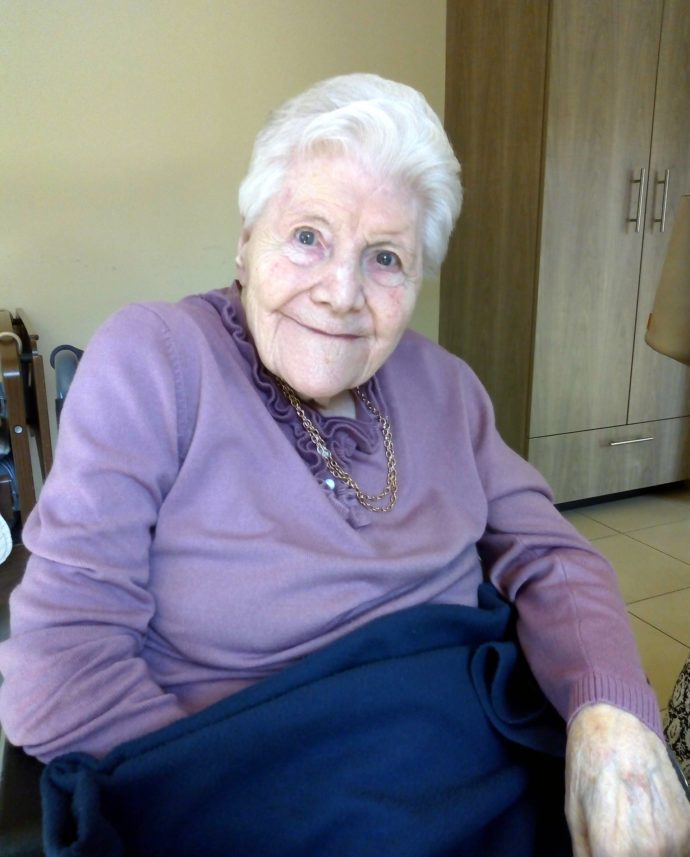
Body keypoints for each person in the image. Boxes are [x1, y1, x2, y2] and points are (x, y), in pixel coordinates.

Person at [0, 74, 688, 856]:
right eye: (308, 237)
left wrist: (611, 717)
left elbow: (553, 556)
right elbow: (61, 671)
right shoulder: (156, 360)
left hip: (480, 760)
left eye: (385, 257)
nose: (341, 292)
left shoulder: (448, 387)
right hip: (262, 797)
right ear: (246, 240)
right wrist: (241, 812)